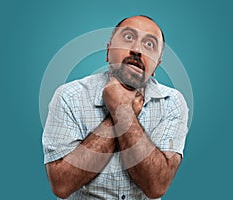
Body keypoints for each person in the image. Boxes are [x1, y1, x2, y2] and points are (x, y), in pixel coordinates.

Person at [42, 15, 189, 200]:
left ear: (156, 65)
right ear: (108, 50)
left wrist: (122, 110)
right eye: (128, 37)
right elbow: (61, 184)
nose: (136, 49)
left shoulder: (172, 103)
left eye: (150, 45)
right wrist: (119, 112)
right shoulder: (68, 96)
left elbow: (156, 186)